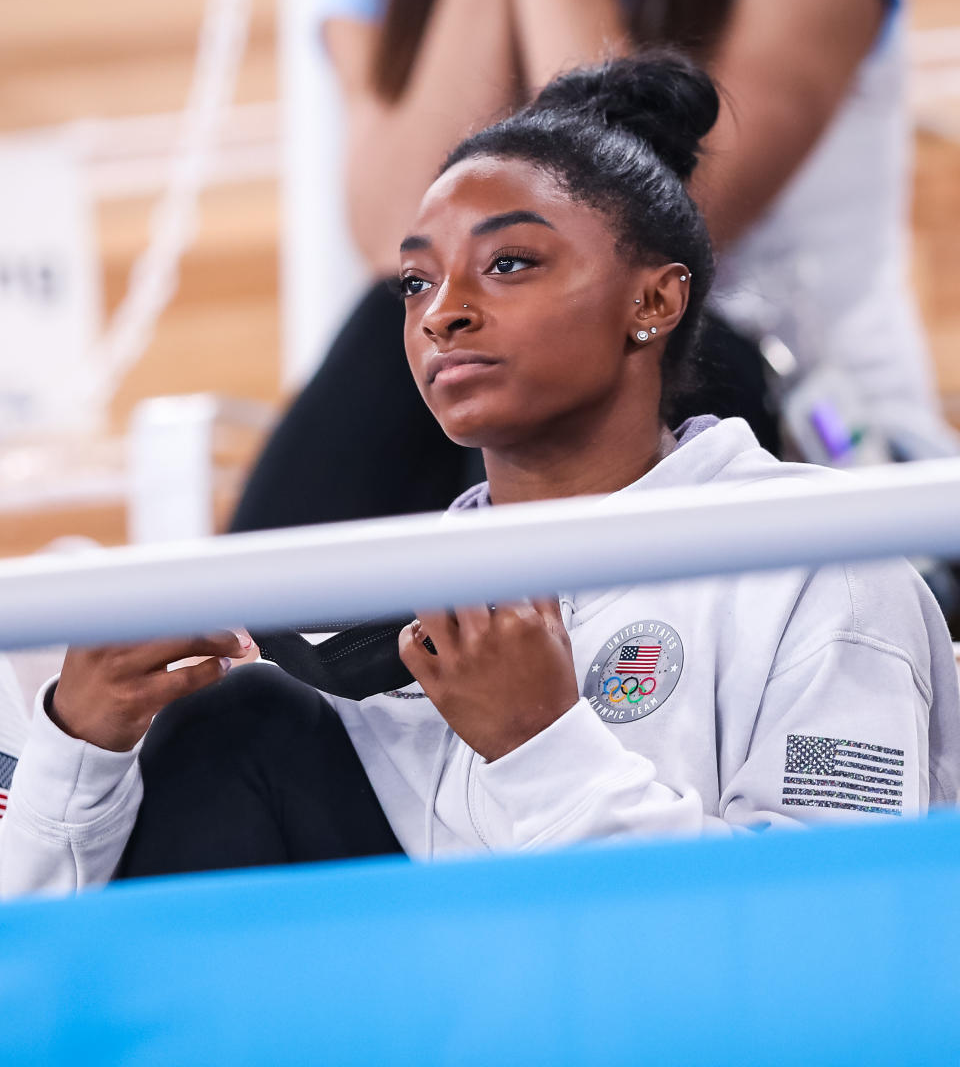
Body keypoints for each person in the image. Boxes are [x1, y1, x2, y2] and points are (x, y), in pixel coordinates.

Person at [2, 54, 957, 895]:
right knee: (228, 716)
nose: (441, 313)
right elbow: (39, 992)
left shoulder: (823, 558)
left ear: (655, 299)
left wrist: (540, 744)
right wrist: (81, 749)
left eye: (509, 263)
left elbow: (832, 929)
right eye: (417, 281)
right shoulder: (383, 629)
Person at [232, 0, 954, 614]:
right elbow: (404, 240)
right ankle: (268, 675)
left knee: (596, 307)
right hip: (515, 443)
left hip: (782, 422)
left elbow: (662, 218)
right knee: (416, 324)